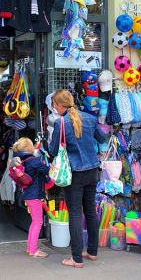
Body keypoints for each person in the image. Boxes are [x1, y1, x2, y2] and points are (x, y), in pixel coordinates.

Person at [48, 89, 107, 268]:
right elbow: (102, 137)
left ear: (59, 105)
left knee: (74, 212)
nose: (54, 108)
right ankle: (92, 252)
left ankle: (76, 258)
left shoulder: (61, 123)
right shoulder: (89, 118)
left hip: (74, 173)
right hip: (92, 170)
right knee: (89, 210)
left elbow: (53, 150)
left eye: (54, 105)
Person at [12, 137, 50, 258]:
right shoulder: (33, 161)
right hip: (34, 195)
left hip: (29, 195)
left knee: (34, 222)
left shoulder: (23, 160)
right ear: (29, 148)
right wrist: (54, 165)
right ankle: (33, 250)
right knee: (38, 222)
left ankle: (30, 248)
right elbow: (46, 170)